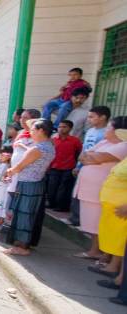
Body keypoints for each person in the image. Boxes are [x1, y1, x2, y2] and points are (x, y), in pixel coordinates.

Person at [73, 117, 127, 265]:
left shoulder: (123, 146)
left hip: (103, 192)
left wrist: (92, 157)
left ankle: (103, 253)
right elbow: (83, 156)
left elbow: (98, 157)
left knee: (99, 223)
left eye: (109, 127)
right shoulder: (104, 142)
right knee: (93, 222)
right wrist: (91, 157)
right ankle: (96, 250)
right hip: (93, 191)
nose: (106, 130)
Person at [4, 118, 56, 256]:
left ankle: (22, 246)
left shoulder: (37, 148)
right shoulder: (49, 146)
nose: (30, 132)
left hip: (27, 185)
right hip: (36, 184)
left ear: (41, 131)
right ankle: (24, 243)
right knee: (28, 215)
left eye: (33, 129)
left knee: (23, 215)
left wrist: (9, 171)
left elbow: (19, 167)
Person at [69, 106, 112, 226]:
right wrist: (78, 165)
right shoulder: (90, 131)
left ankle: (87, 222)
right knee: (77, 193)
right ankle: (75, 218)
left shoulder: (108, 133)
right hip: (83, 166)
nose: (89, 120)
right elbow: (84, 149)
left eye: (92, 117)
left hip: (97, 167)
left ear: (103, 117)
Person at [96, 137, 127, 297]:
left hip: (123, 208)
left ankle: (121, 280)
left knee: (122, 243)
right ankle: (120, 277)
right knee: (118, 243)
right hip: (115, 206)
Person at [6, 109, 42, 216]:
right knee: (10, 198)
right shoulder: (21, 133)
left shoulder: (38, 136)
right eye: (21, 117)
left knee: (20, 203)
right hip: (14, 172)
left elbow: (35, 154)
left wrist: (23, 146)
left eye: (25, 118)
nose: (22, 120)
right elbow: (14, 152)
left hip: (26, 174)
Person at [46, 120, 82, 211]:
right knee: (52, 187)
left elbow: (79, 153)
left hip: (68, 168)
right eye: (60, 127)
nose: (61, 129)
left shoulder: (75, 141)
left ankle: (62, 206)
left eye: (64, 127)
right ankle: (51, 203)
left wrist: (76, 166)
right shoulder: (53, 140)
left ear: (70, 128)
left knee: (64, 188)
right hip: (54, 167)